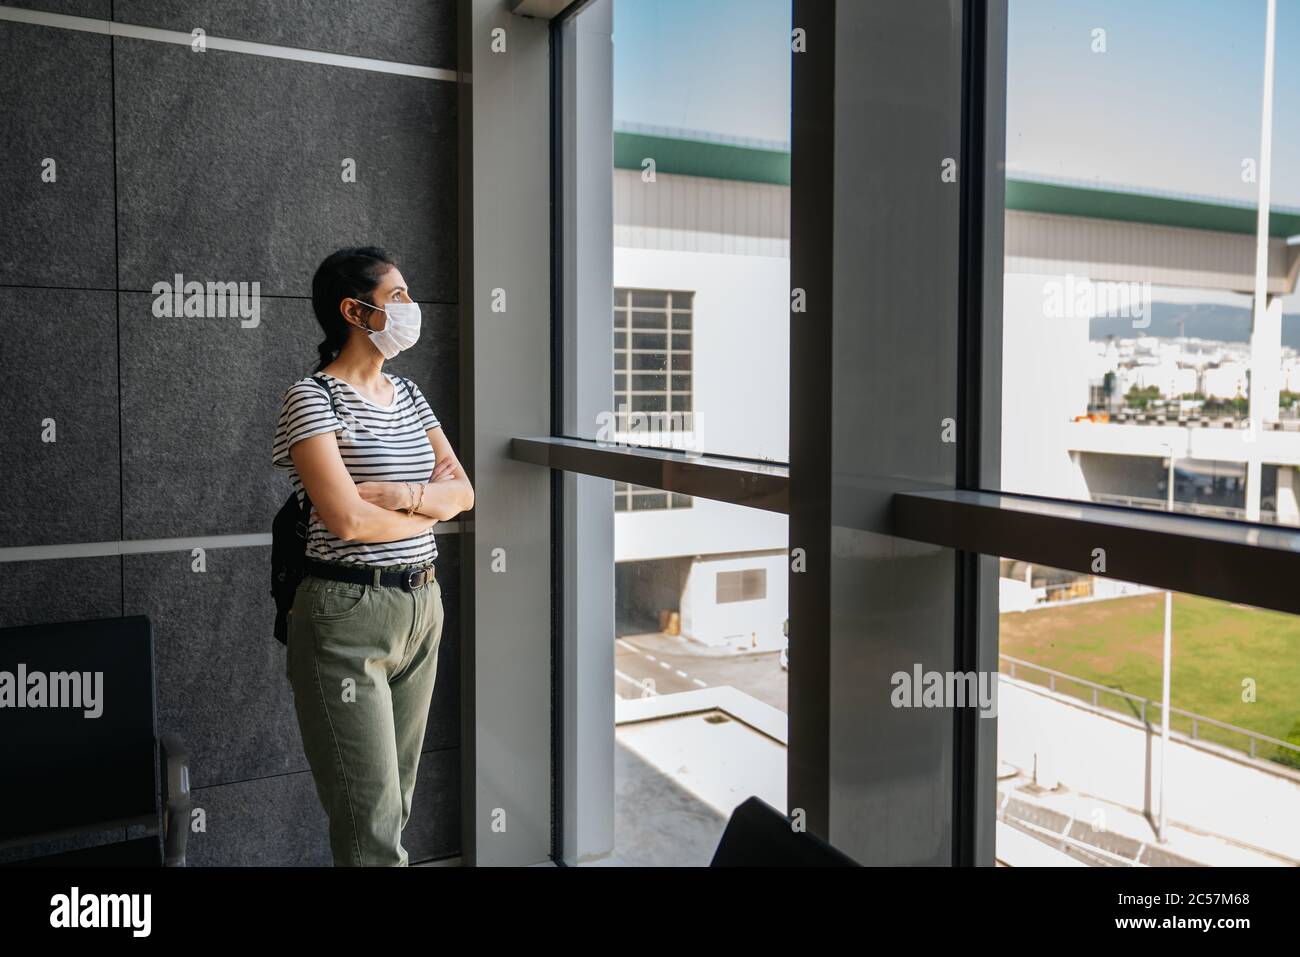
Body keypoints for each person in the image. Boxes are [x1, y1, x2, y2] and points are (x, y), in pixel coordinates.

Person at [271, 246, 473, 866]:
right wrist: (425, 510)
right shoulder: (312, 399)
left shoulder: (410, 395)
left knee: (398, 800)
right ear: (355, 311)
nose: (412, 308)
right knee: (372, 820)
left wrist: (409, 495)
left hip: (422, 604)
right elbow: (346, 520)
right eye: (399, 297)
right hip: (345, 613)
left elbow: (463, 494)